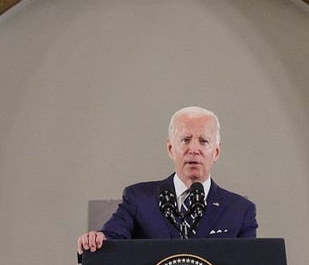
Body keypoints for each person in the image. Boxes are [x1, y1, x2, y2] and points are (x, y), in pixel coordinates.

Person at [76, 106, 257, 255]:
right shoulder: (139, 199)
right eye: (185, 140)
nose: (193, 149)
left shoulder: (240, 210)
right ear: (170, 148)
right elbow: (112, 236)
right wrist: (98, 240)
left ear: (216, 152)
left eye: (203, 141)